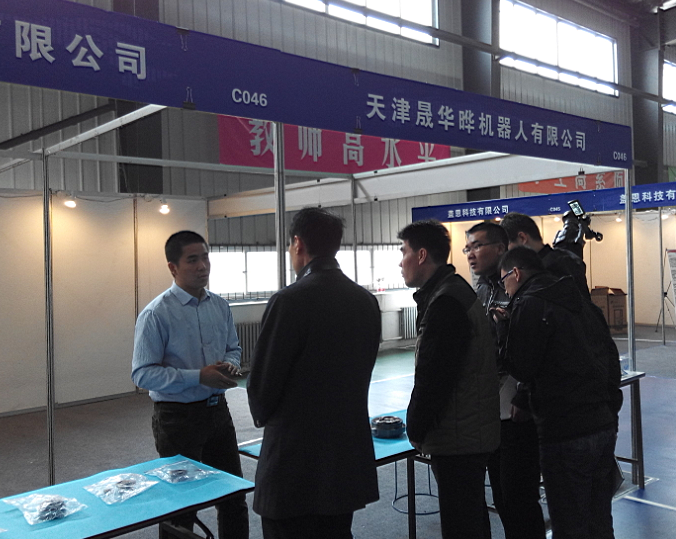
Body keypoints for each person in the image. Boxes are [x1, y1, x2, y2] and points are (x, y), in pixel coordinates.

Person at [247, 207, 381, 539]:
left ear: (298, 244)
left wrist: (262, 410)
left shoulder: (289, 300)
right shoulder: (365, 300)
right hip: (345, 456)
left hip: (294, 461)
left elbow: (263, 388)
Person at [498, 246, 622, 539]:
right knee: (599, 520)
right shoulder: (580, 301)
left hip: (564, 430)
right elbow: (610, 357)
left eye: (504, 281)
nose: (505, 289)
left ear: (516, 273)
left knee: (569, 524)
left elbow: (522, 368)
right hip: (602, 423)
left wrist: (505, 330)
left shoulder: (530, 304)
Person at [131, 230, 248, 539]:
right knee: (181, 509)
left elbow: (233, 348)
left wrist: (230, 364)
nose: (202, 266)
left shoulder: (219, 306)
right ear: (173, 267)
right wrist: (198, 376)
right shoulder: (156, 314)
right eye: (192, 260)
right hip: (177, 419)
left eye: (205, 258)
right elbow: (142, 374)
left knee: (233, 497)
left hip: (218, 413)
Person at [399, 219, 500, 539]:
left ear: (421, 255)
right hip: (468, 430)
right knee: (471, 519)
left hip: (458, 437)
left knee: (462, 526)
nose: (400, 262)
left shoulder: (445, 301)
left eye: (403, 252)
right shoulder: (453, 290)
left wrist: (415, 427)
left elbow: (434, 377)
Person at [464, 222, 545, 539]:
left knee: (519, 498)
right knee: (502, 497)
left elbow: (537, 347)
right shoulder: (482, 290)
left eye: (477, 246)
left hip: (518, 410)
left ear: (500, 248)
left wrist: (524, 394)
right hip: (490, 410)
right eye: (467, 247)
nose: (470, 253)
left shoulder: (520, 286)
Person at [500, 212, 590, 299]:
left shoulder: (554, 269)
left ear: (522, 238)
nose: (507, 254)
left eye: (507, 246)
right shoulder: (564, 260)